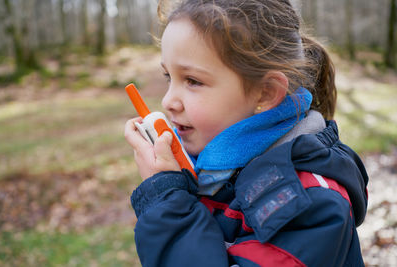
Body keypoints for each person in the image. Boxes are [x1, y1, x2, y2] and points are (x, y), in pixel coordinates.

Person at [124, 0, 369, 266]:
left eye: (193, 81)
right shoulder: (213, 170)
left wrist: (167, 201)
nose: (168, 101)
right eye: (169, 77)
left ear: (265, 93)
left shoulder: (309, 202)